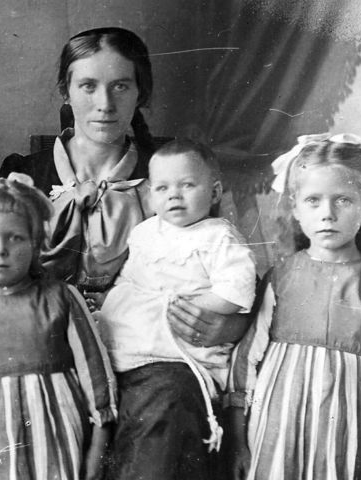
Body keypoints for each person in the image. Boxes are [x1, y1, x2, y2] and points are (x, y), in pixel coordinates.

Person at [0, 26, 250, 347]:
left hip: (145, 342)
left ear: (139, 93)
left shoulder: (175, 180)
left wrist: (230, 327)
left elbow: (234, 273)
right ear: (65, 91)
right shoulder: (23, 175)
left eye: (120, 86)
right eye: (88, 86)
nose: (105, 103)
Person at [226, 134, 361, 480]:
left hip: (351, 438)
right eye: (313, 201)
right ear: (295, 208)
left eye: (343, 200)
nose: (328, 214)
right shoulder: (280, 277)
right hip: (278, 435)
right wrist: (239, 443)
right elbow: (245, 363)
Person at [0, 177, 117, 480]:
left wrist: (96, 457)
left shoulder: (61, 299)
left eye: (15, 237)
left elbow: (97, 379)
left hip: (55, 449)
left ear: (35, 243)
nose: (0, 249)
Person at [97, 139, 256, 480]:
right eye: (163, 188)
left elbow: (237, 292)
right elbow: (128, 280)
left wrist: (190, 306)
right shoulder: (145, 233)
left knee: (166, 401)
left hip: (183, 349)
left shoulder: (219, 236)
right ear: (151, 195)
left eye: (187, 185)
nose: (174, 196)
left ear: (214, 192)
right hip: (131, 345)